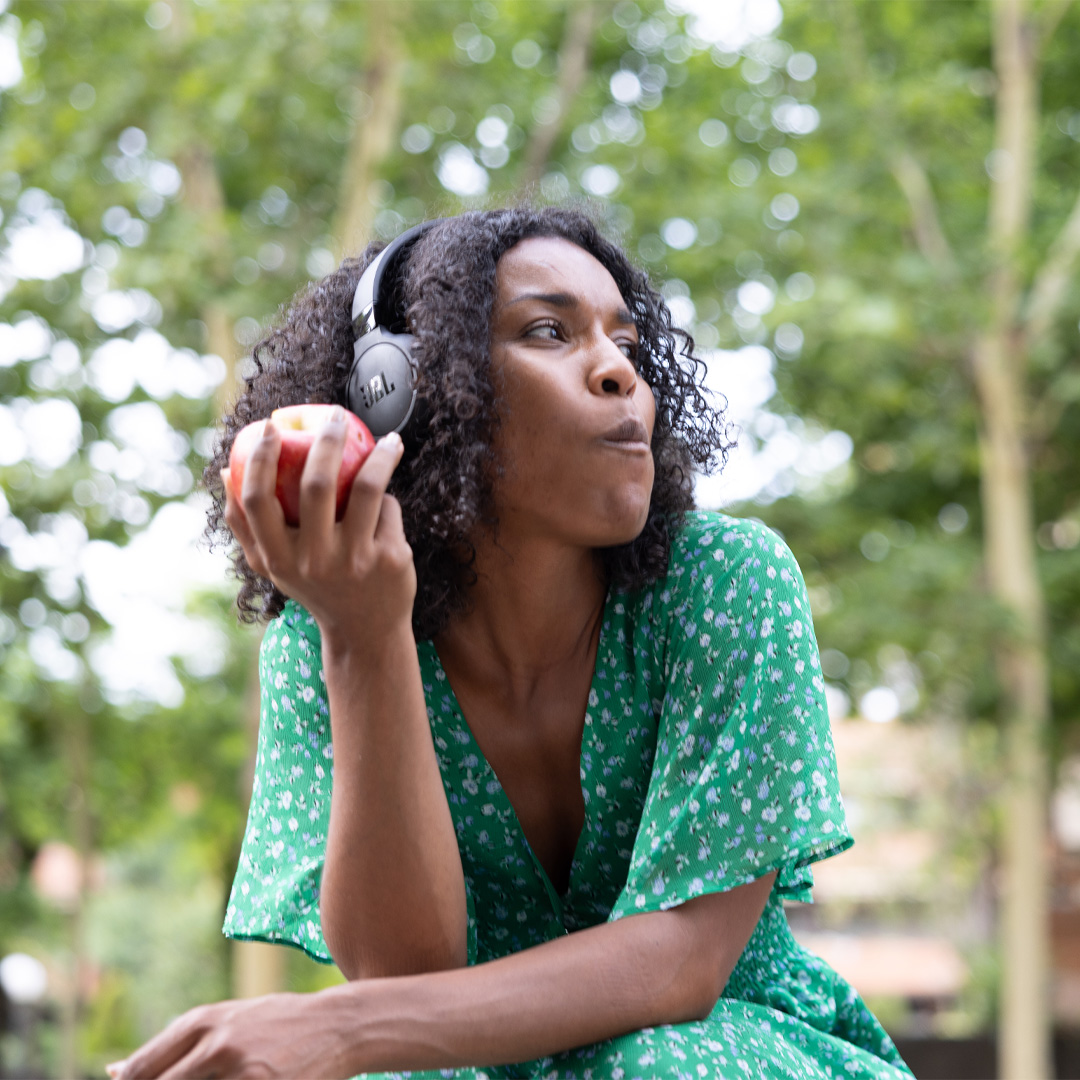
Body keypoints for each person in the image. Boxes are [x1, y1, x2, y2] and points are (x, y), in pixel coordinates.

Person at [112, 206, 914, 1079]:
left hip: (724, 1051)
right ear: (401, 390)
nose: (619, 373)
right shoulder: (327, 632)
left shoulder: (725, 584)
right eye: (549, 332)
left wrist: (338, 1029)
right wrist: (364, 637)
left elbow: (683, 963)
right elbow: (404, 979)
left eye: (628, 345)